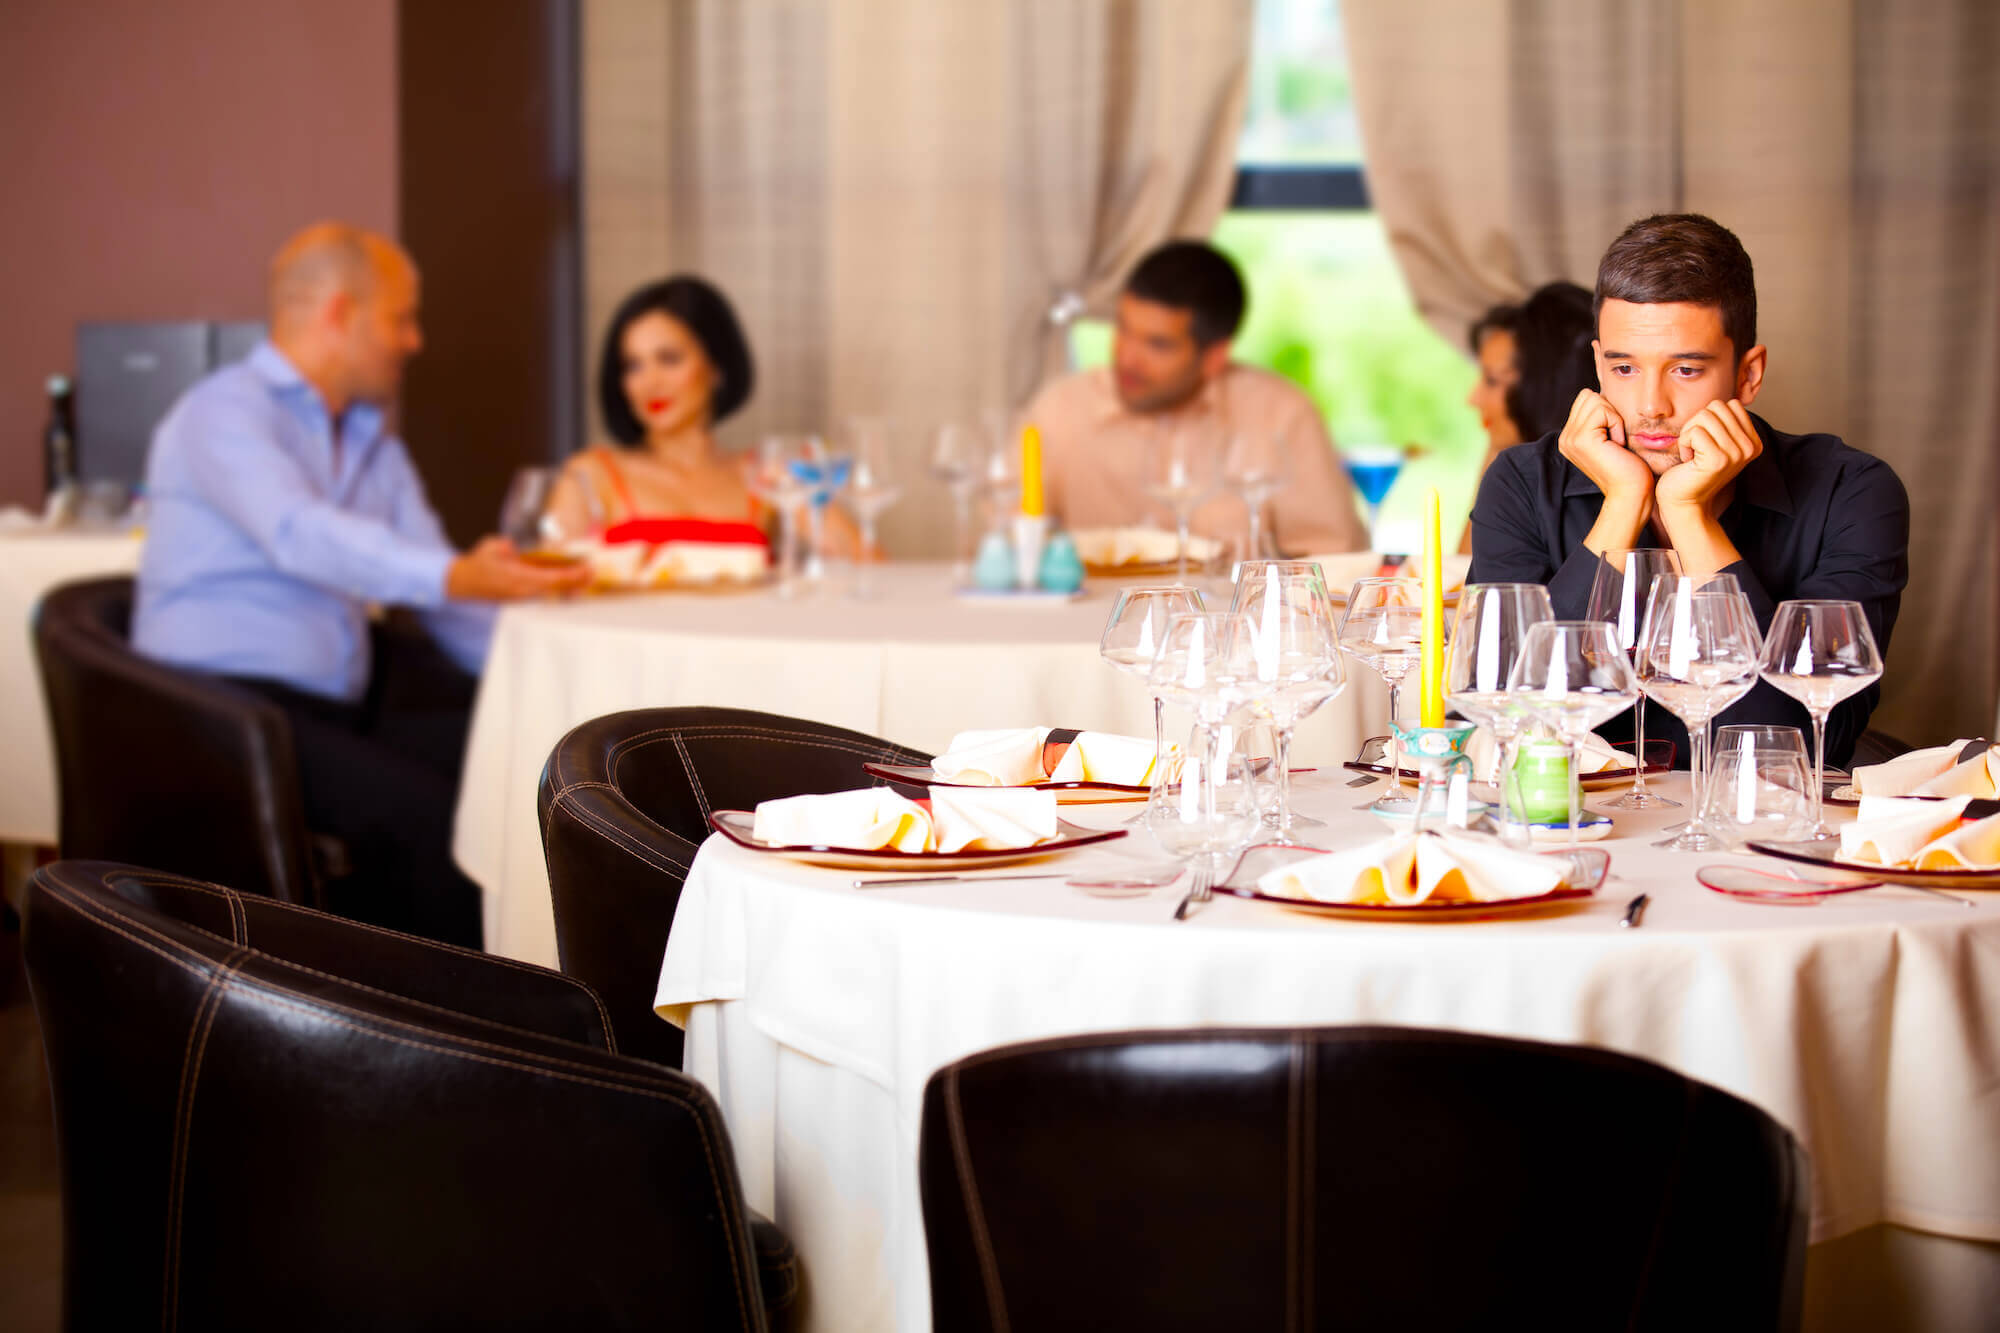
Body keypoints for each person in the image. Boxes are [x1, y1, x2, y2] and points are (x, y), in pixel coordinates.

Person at [134, 221, 589, 946]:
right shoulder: (222, 412)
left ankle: (544, 999)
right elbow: (297, 532)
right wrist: (455, 573)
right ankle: (447, 1036)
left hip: (334, 699)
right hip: (219, 712)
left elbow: (436, 588)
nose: (415, 341)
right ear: (341, 312)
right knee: (437, 816)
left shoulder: (373, 437)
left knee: (518, 765)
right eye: (402, 317)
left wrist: (551, 668)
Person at [1467, 213, 1909, 767]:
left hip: (1757, 835)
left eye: (1685, 370)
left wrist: (1688, 515)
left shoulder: (1853, 490)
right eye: (1624, 368)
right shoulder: (1523, 482)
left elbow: (1792, 743)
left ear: (1748, 374)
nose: (1651, 406)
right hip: (1573, 827)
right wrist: (1622, 507)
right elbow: (1503, 720)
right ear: (1598, 366)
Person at [1025, 239, 1367, 556]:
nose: (1127, 357)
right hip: (1083, 621)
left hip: (1225, 619)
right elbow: (1011, 544)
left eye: (1157, 344)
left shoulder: (1281, 415)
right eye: (1124, 330)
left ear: (1214, 357)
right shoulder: (1061, 409)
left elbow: (1332, 557)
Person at [545, 275, 861, 554]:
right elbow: (549, 584)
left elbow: (869, 565)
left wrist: (809, 496)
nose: (649, 383)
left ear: (715, 368)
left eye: (669, 359)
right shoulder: (591, 475)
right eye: (633, 366)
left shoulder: (760, 476)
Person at [1459, 281, 1598, 553]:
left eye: (1491, 380)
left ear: (1546, 388)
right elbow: (1467, 578)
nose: (1472, 398)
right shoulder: (1514, 475)